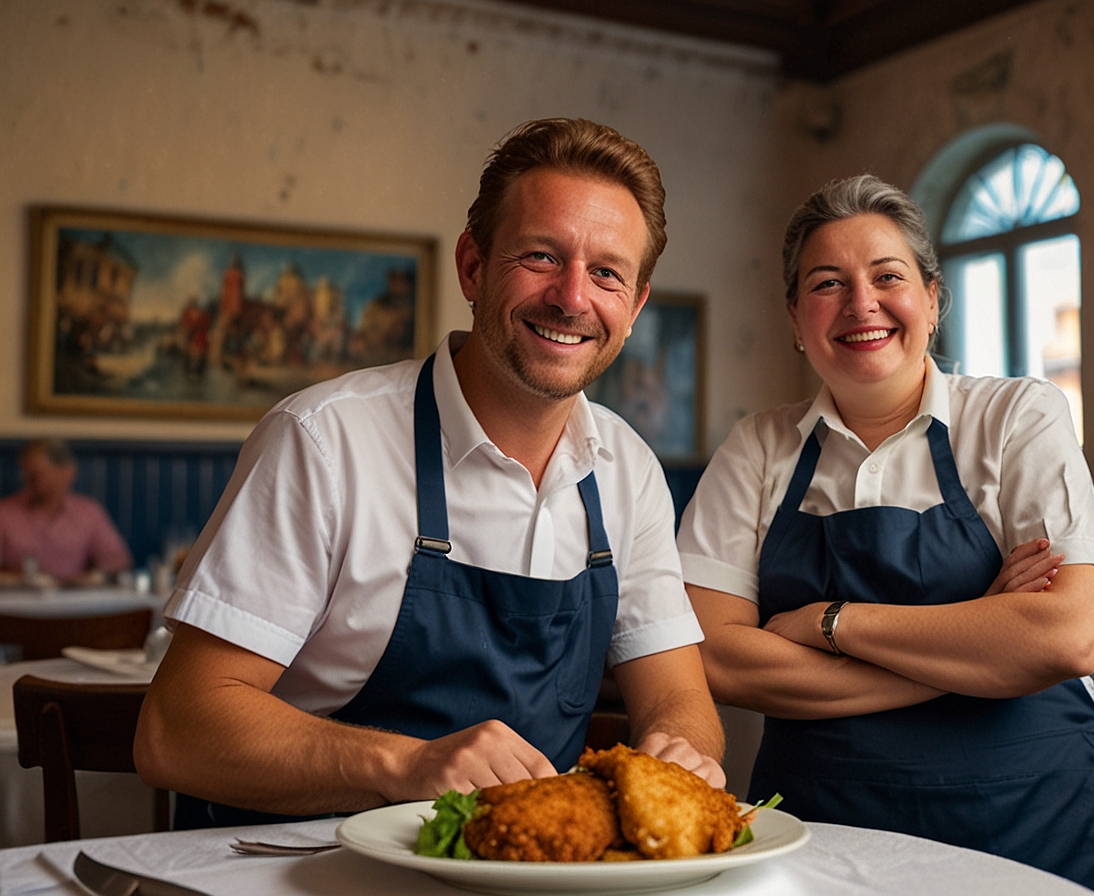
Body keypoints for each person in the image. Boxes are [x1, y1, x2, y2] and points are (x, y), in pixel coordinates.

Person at [135, 118, 725, 827]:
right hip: (302, 867)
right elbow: (175, 731)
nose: (572, 297)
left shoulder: (626, 469)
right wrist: (405, 765)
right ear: (473, 266)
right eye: (540, 256)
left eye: (606, 273)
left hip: (526, 869)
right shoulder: (325, 441)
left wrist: (680, 751)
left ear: (633, 308)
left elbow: (680, 699)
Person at [676, 174, 1094, 895]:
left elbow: (1068, 638)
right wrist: (977, 641)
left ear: (932, 299)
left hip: (1033, 821)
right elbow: (714, 659)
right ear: (797, 319)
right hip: (820, 831)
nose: (861, 303)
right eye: (827, 284)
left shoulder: (1018, 417)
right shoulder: (757, 448)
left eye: (887, 276)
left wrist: (827, 623)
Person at [0, 439, 132, 587]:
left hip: (74, 602)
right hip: (18, 601)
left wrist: (95, 574)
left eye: (39, 474)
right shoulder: (4, 512)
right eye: (27, 474)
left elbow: (118, 560)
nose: (31, 481)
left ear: (67, 472)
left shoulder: (88, 512)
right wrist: (20, 577)